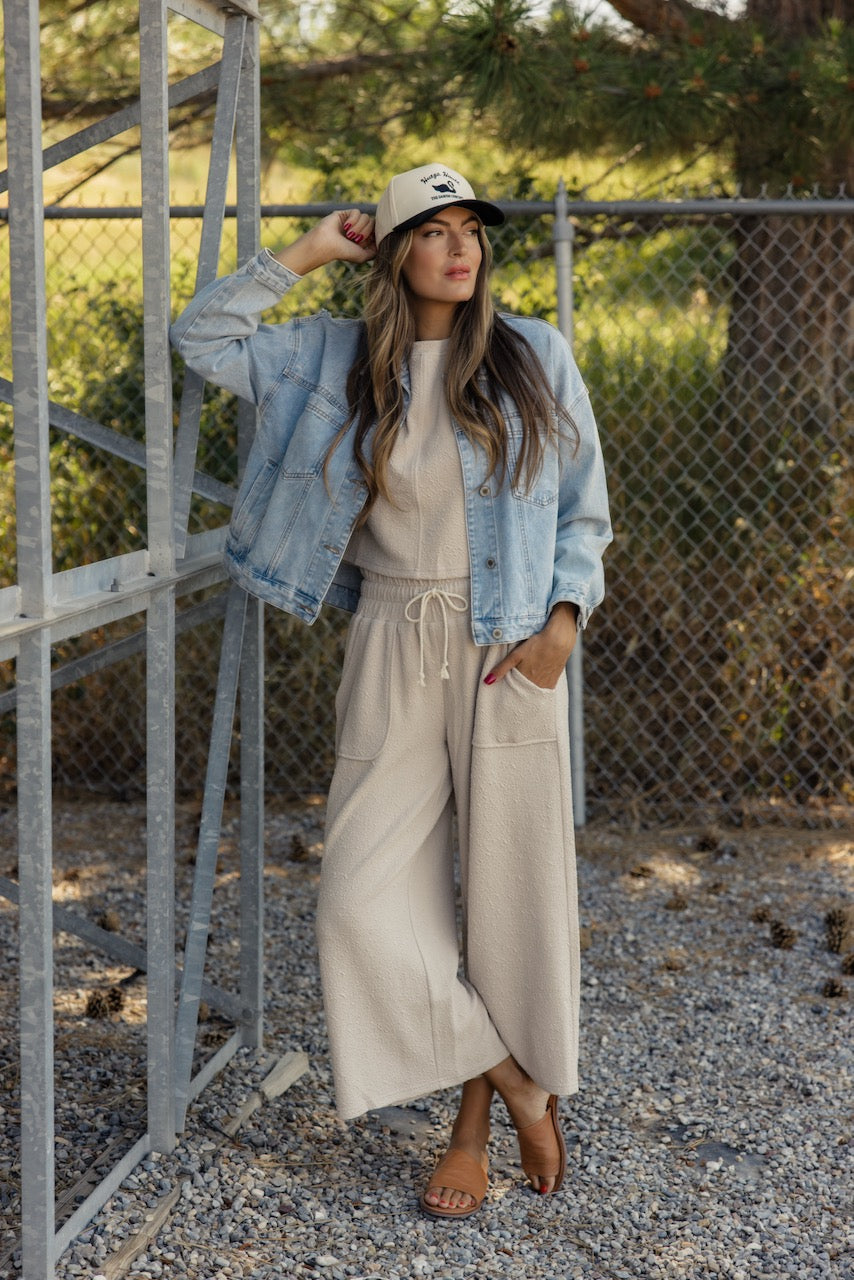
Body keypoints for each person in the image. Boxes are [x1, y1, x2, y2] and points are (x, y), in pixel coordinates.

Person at [171, 162, 612, 1219]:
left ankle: (469, 1130)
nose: (460, 249)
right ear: (392, 251)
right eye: (432, 231)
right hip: (390, 639)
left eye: (471, 230)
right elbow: (203, 339)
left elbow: (583, 513)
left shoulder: (533, 357)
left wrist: (560, 626)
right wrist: (316, 246)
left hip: (510, 647)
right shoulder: (331, 359)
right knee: (358, 901)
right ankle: (515, 1075)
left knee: (504, 900)